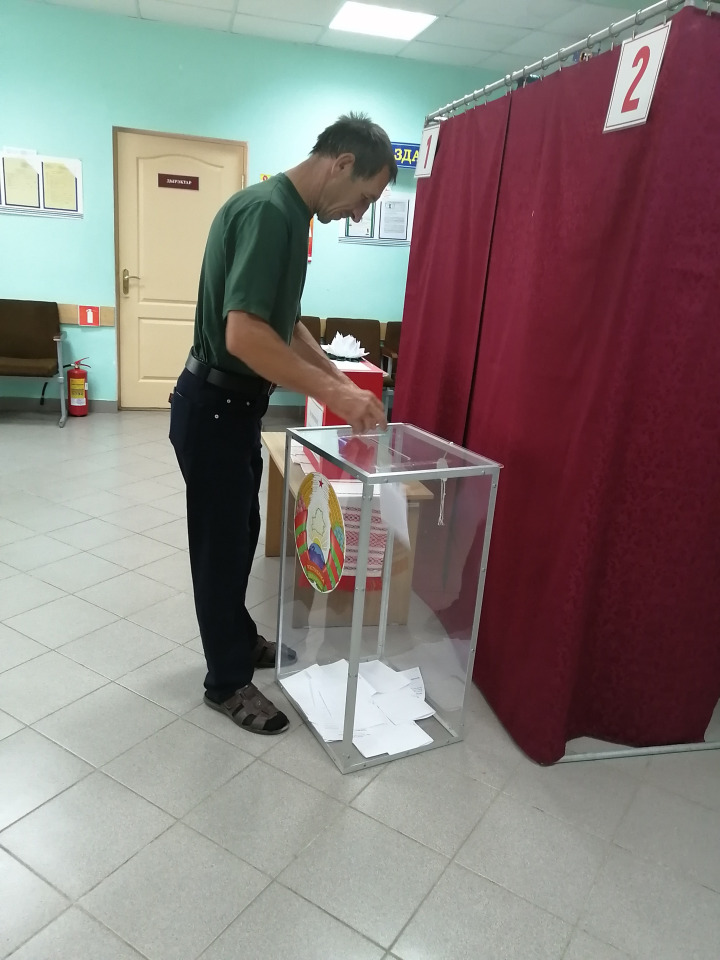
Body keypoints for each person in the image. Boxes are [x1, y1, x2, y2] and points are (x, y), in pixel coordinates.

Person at [169, 112, 396, 736]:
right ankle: (226, 682)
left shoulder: (290, 214)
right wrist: (334, 392)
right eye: (365, 198)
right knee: (220, 549)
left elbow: (284, 323)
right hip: (215, 406)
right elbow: (244, 335)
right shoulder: (271, 213)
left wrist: (340, 379)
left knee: (241, 533)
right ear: (342, 163)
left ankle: (239, 638)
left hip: (235, 408)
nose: (358, 215)